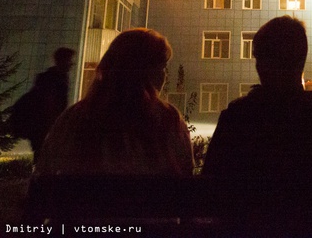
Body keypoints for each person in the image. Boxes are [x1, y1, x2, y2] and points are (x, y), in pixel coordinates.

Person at [35, 28, 193, 176]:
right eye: (163, 67)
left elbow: (43, 176)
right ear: (145, 70)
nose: (164, 75)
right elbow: (184, 179)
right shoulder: (168, 121)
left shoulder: (72, 120)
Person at [202, 16, 312, 185]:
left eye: (258, 58)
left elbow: (210, 188)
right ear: (301, 59)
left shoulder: (239, 118)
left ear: (262, 63)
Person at [16, 47, 75, 163]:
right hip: (45, 129)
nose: (71, 64)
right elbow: (50, 108)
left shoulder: (57, 78)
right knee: (44, 159)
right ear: (62, 60)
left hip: (47, 129)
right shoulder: (52, 80)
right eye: (69, 60)